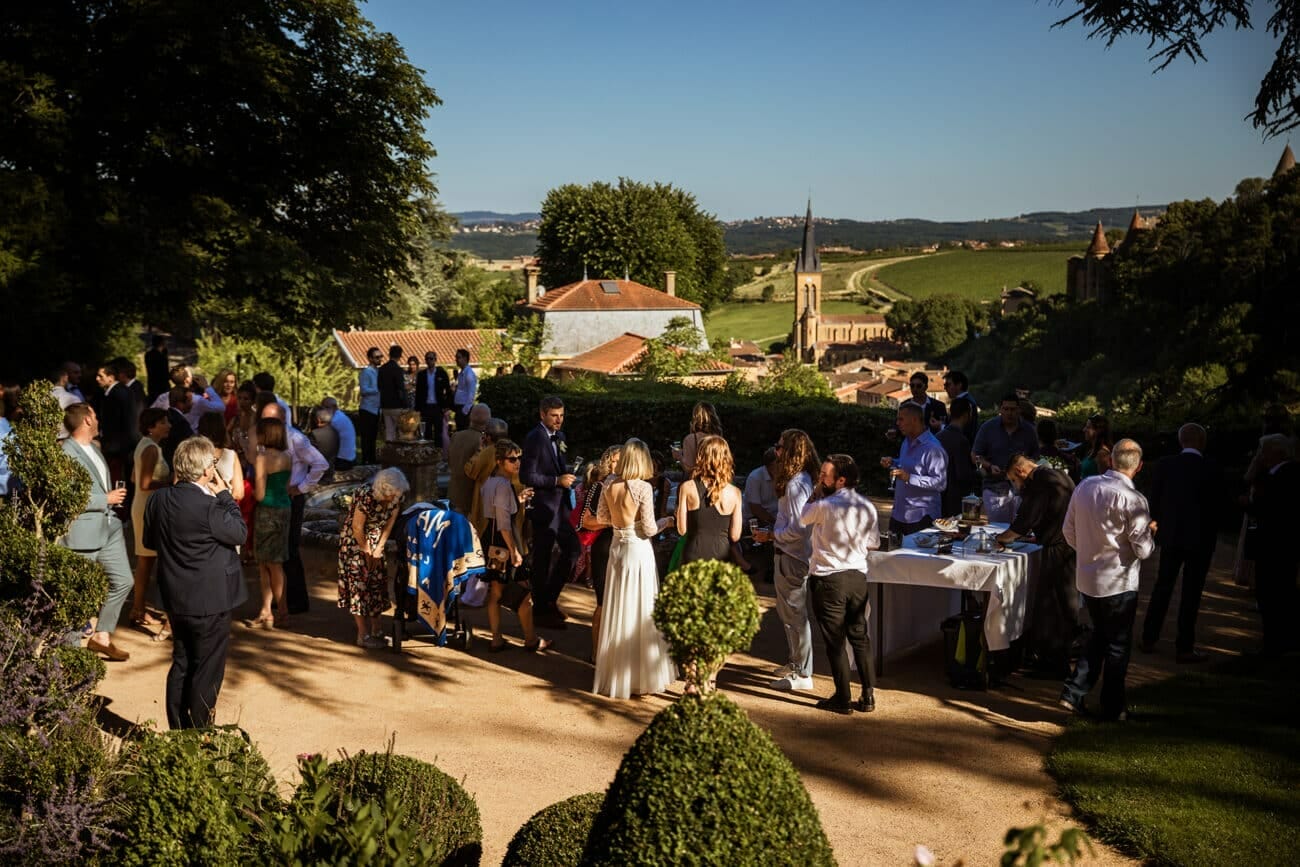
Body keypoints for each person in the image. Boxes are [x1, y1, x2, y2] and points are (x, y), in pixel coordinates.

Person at [143, 436, 247, 729]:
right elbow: (240, 533)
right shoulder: (211, 506)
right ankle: (199, 733)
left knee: (182, 661)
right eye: (213, 463)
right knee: (207, 668)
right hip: (211, 599)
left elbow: (149, 541)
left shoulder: (158, 499)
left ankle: (178, 731)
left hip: (175, 596)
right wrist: (225, 495)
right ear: (206, 471)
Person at [1060, 439, 1155, 722]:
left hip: (1089, 578)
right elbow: (1143, 550)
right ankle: (1113, 706)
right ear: (1139, 466)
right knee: (1116, 645)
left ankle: (1074, 692)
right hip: (1118, 582)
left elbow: (1068, 531)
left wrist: (1089, 552)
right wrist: (1150, 533)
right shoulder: (1134, 499)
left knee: (1100, 635)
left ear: (1111, 461)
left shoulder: (1085, 486)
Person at [592, 439, 676, 699]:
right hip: (637, 550)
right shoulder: (643, 487)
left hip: (617, 549)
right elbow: (649, 528)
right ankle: (641, 676)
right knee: (640, 610)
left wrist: (621, 523)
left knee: (619, 609)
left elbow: (602, 518)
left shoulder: (609, 484)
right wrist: (667, 521)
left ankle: (617, 675)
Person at [801, 454, 880, 714]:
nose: (821, 479)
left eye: (825, 475)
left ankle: (843, 698)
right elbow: (874, 543)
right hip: (857, 577)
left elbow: (803, 517)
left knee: (835, 641)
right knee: (860, 636)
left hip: (829, 579)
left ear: (841, 480)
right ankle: (868, 695)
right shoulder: (867, 506)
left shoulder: (824, 505)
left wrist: (815, 492)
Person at [1139, 423, 1222, 662]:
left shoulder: (1166, 465)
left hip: (1172, 537)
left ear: (1180, 441)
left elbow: (1155, 501)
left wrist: (1158, 527)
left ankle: (1148, 637)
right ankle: (1184, 647)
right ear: (1202, 442)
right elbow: (1220, 506)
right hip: (1201, 540)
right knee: (1191, 592)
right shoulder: (1212, 467)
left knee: (1163, 586)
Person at [60, 404, 134, 661]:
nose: (99, 419)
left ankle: (102, 636)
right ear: (87, 420)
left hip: (109, 527)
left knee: (124, 581)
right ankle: (69, 655)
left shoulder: (95, 448)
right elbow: (66, 497)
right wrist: (105, 499)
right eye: (95, 415)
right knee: (78, 594)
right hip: (82, 535)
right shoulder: (65, 453)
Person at [996, 453, 1077, 676]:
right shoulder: (1059, 475)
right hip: (1069, 544)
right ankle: (1057, 658)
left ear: (1021, 471)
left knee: (1052, 605)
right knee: (1062, 603)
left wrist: (1002, 538)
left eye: (1014, 480)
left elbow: (1025, 519)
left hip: (1058, 548)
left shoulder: (1041, 482)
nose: (1016, 486)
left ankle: (1053, 663)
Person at [256, 399, 328, 614]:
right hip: (278, 499)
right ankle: (280, 601)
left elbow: (321, 463)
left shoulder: (296, 439)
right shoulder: (266, 441)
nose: (264, 423)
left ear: (281, 419)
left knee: (289, 550)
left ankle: (295, 601)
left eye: (269, 419)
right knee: (275, 555)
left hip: (289, 499)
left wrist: (302, 487)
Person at [479, 440, 550, 652]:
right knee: (525, 594)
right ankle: (531, 640)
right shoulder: (502, 485)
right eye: (512, 459)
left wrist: (517, 499)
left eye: (519, 458)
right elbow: (503, 523)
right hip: (504, 542)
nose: (517, 462)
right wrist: (514, 551)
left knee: (496, 592)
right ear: (500, 461)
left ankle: (496, 638)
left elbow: (496, 511)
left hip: (490, 540)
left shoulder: (490, 482)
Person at [521, 395, 581, 628]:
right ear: (542, 414)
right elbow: (527, 476)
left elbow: (557, 465)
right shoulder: (534, 437)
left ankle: (548, 600)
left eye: (562, 416)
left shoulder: (560, 437)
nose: (559, 420)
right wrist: (557, 480)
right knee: (542, 559)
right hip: (543, 507)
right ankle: (541, 610)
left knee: (573, 550)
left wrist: (566, 477)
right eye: (554, 416)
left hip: (561, 507)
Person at [768, 428, 820, 692]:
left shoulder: (797, 484)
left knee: (795, 615)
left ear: (790, 452)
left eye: (780, 447)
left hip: (792, 556)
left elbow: (799, 528)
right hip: (788, 553)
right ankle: (795, 662)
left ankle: (803, 673)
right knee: (788, 613)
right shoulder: (798, 481)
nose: (776, 452)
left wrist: (774, 535)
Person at [338, 467, 410, 648]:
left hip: (376, 539)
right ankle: (363, 634)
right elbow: (357, 527)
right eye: (391, 494)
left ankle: (377, 630)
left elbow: (389, 523)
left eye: (397, 494)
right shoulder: (365, 495)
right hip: (355, 542)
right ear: (383, 489)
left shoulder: (397, 496)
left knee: (377, 584)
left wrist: (379, 547)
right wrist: (367, 550)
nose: (394, 498)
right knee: (359, 585)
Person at [1243, 434, 1299, 656]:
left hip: (1277, 546)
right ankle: (1276, 641)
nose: (1259, 455)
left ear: (1276, 452)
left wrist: (1248, 505)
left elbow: (1271, 509)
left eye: (1263, 450)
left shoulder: (1286, 475)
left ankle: (1276, 643)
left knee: (1274, 594)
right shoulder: (1275, 474)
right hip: (1276, 545)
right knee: (1274, 593)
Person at [129, 407, 172, 627]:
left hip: (144, 506)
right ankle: (138, 608)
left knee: (145, 559)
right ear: (151, 427)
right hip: (149, 508)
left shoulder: (145, 445)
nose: (168, 425)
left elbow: (134, 477)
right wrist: (171, 483)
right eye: (163, 422)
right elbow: (144, 483)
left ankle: (139, 607)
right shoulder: (151, 449)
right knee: (147, 560)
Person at [249, 417, 293, 629]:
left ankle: (278, 611)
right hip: (284, 509)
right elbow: (286, 485)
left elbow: (259, 494)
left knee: (266, 564)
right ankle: (269, 610)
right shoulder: (287, 456)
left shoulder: (262, 458)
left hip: (267, 511)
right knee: (276, 563)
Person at [579, 444, 622, 662]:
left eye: (621, 461)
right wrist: (612, 521)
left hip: (626, 548)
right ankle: (596, 653)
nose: (618, 465)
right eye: (614, 461)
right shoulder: (599, 487)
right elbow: (585, 521)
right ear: (607, 463)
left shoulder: (633, 487)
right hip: (604, 548)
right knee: (603, 602)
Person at [675, 435, 743, 565]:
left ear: (700, 457)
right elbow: (735, 536)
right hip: (722, 557)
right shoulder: (735, 493)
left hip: (693, 556)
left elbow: (682, 530)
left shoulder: (687, 487)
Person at [882, 402, 948, 535]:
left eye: (901, 419)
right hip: (899, 513)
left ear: (914, 420)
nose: (897, 423)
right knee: (892, 549)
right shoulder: (907, 441)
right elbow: (909, 465)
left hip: (921, 517)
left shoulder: (933, 448)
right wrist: (893, 462)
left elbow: (940, 483)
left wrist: (909, 478)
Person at [972, 394, 1039, 523]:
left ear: (1019, 410)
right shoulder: (988, 428)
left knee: (1020, 530)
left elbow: (1036, 457)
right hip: (994, 488)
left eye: (1013, 409)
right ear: (1000, 410)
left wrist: (1025, 467)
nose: (1009, 413)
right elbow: (975, 456)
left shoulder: (1029, 430)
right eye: (1006, 409)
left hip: (1021, 489)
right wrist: (989, 466)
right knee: (997, 529)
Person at [466, 417, 510, 536]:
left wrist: (479, 450)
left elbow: (471, 471)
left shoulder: (487, 452)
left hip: (487, 503)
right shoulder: (515, 449)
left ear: (488, 437)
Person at [743, 447, 780, 582]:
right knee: (770, 532)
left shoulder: (783, 477)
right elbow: (755, 508)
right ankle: (770, 570)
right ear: (770, 465)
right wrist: (775, 522)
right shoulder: (755, 477)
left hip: (775, 517)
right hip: (756, 518)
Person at [936, 397, 976, 519]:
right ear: (966, 415)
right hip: (954, 498)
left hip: (938, 494)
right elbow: (962, 474)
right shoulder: (961, 440)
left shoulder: (938, 437)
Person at [448, 403, 489, 514]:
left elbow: (449, 461)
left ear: (470, 417)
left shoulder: (456, 436)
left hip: (454, 494)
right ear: (488, 420)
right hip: (471, 497)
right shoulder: (483, 441)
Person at [672, 401, 724, 476]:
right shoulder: (719, 439)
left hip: (698, 481)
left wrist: (679, 457)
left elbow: (689, 470)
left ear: (695, 417)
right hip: (717, 480)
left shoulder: (690, 439)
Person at [414, 350, 453, 445]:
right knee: (426, 432)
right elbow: (418, 393)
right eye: (427, 359)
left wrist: (447, 406)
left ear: (435, 360)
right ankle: (428, 452)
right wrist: (417, 409)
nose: (429, 361)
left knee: (438, 432)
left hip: (438, 407)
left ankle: (438, 452)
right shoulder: (421, 375)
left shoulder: (441, 374)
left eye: (431, 358)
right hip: (426, 407)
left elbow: (448, 390)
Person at [357, 346, 382, 464]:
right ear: (370, 358)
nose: (379, 359)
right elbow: (364, 390)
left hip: (376, 408)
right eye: (377, 357)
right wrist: (378, 389)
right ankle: (366, 460)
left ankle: (372, 459)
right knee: (366, 437)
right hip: (367, 408)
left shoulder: (378, 372)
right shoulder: (366, 372)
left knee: (373, 436)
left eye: (380, 356)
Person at [378, 344, 407, 443]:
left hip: (385, 405)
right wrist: (405, 404)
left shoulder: (382, 369)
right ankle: (400, 450)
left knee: (389, 431)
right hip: (396, 405)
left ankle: (389, 450)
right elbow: (401, 388)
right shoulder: (397, 370)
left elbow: (379, 386)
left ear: (389, 354)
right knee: (401, 431)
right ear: (400, 356)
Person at [160, 385, 194, 467]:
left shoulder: (166, 416)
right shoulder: (180, 423)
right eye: (189, 401)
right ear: (180, 404)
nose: (192, 403)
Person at [321, 397, 358, 471]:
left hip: (342, 461)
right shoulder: (340, 416)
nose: (324, 410)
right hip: (350, 459)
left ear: (335, 407)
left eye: (327, 407)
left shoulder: (335, 420)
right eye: (322, 408)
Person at [943, 370, 978, 443]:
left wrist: (941, 426)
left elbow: (966, 430)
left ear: (959, 385)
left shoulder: (966, 403)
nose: (945, 388)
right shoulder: (965, 401)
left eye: (948, 384)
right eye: (945, 385)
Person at [1077, 414, 1112, 479]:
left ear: (1098, 430)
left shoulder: (1102, 454)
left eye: (1088, 427)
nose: (1084, 430)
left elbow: (1105, 481)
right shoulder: (1093, 449)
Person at [452, 348, 478, 432]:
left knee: (464, 432)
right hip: (459, 407)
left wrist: (465, 411)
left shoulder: (469, 374)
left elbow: (471, 393)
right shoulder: (461, 373)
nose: (456, 360)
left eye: (458, 357)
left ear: (465, 358)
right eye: (456, 357)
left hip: (464, 408)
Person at [307, 406, 340, 470]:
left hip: (316, 471)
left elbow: (308, 456)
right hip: (330, 469)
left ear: (318, 420)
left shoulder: (314, 434)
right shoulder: (335, 432)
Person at [144, 334, 170, 402]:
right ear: (162, 343)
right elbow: (164, 372)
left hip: (152, 385)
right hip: (161, 386)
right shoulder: (160, 356)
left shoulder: (148, 354)